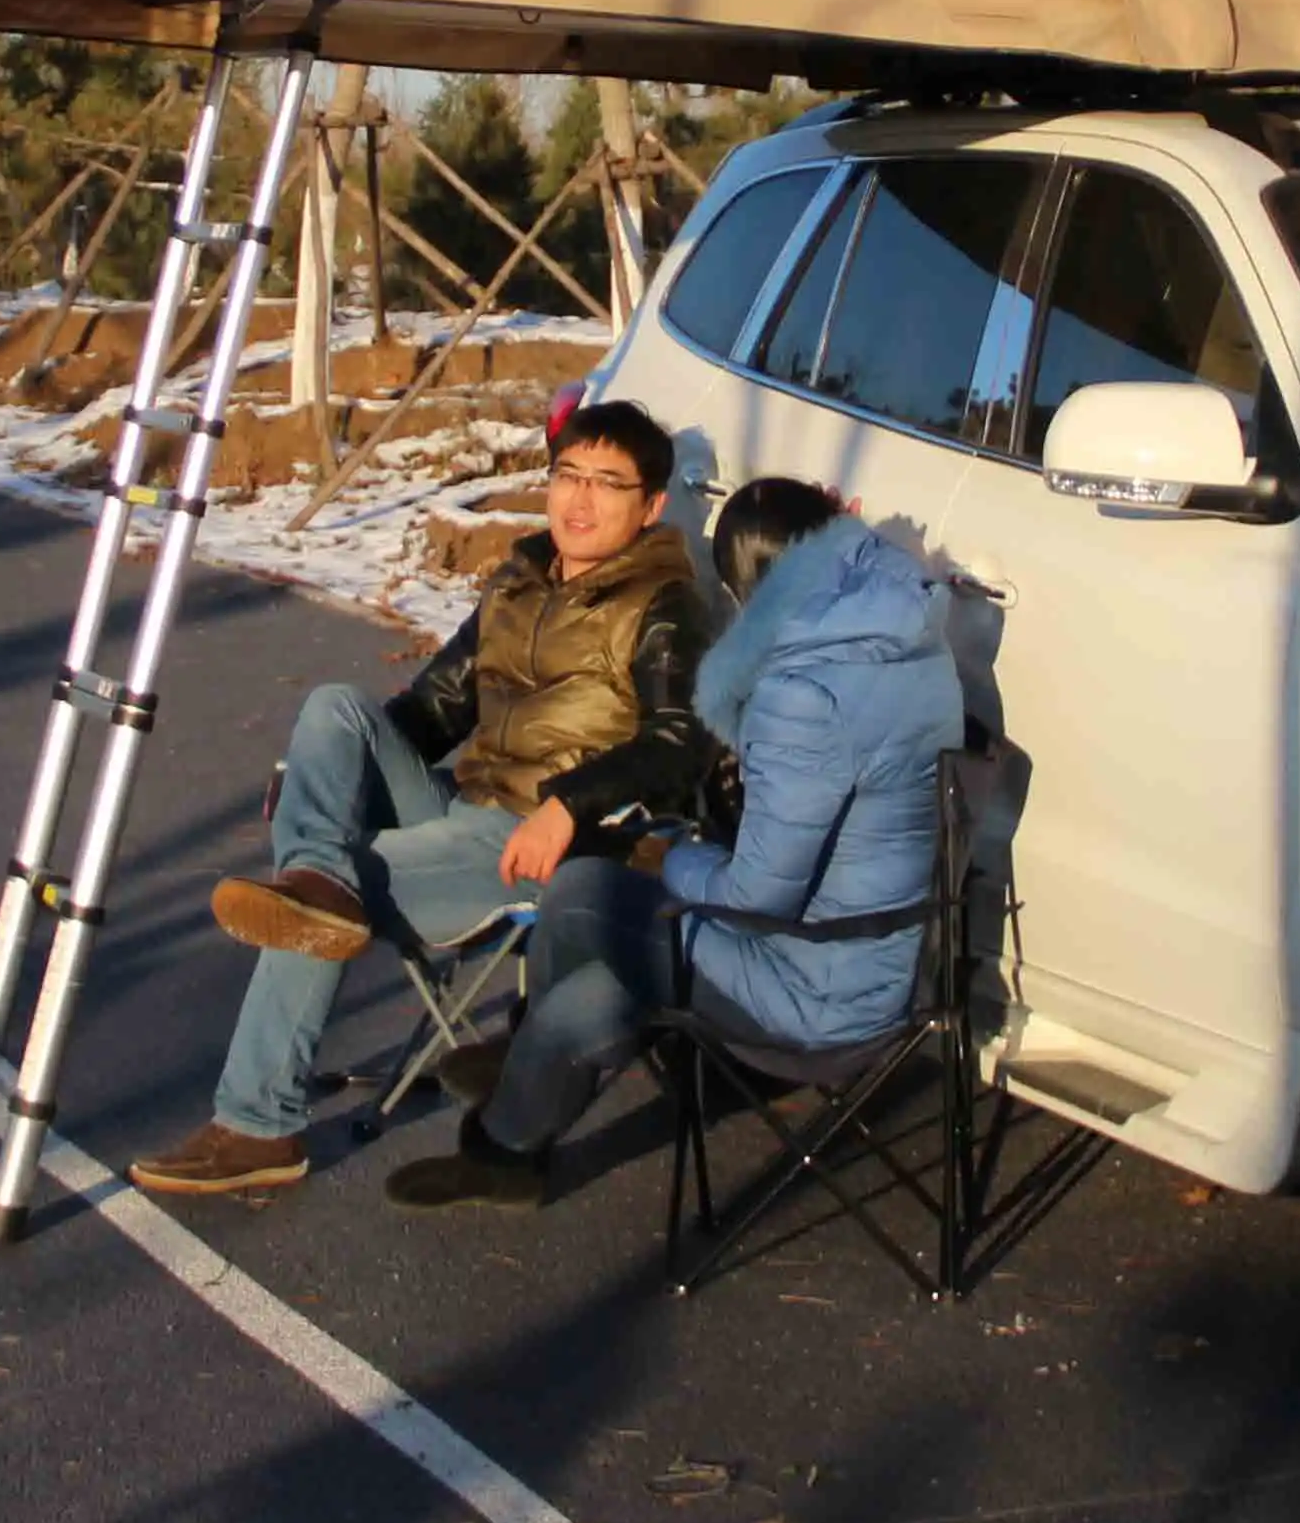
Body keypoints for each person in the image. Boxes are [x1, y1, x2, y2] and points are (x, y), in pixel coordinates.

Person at [128, 399, 708, 1199]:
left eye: (607, 484)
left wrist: (569, 805)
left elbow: (681, 743)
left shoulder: (665, 607)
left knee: (328, 897)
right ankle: (316, 872)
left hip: (543, 846)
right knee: (336, 712)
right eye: (568, 475)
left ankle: (258, 1125)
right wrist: (336, 776)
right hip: (464, 806)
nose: (579, 499)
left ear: (650, 506)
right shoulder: (520, 581)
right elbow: (436, 708)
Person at [386, 476, 961, 1212]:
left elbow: (757, 895)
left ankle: (506, 1150)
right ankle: (524, 1063)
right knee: (581, 888)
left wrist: (674, 856)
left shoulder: (806, 696)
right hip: (873, 951)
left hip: (813, 991)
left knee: (595, 987)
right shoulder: (901, 633)